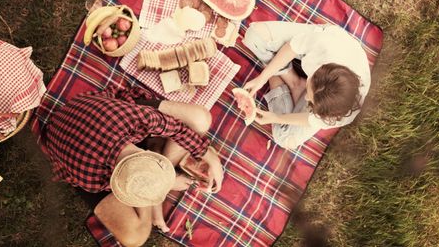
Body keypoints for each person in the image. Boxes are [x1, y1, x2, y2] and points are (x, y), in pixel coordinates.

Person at [44, 85, 223, 247]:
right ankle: (153, 196)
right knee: (135, 238)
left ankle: (154, 186)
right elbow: (121, 189)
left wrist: (208, 155)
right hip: (69, 142)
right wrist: (164, 185)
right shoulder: (92, 178)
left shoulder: (139, 118)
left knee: (201, 118)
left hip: (90, 115)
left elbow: (176, 128)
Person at [242, 21, 370, 150]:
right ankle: (293, 81)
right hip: (317, 40)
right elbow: (292, 47)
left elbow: (311, 119)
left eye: (310, 100)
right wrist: (262, 78)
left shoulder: (340, 115)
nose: (306, 99)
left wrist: (277, 117)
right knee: (254, 37)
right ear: (318, 69)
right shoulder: (326, 45)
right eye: (309, 93)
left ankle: (290, 82)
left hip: (322, 94)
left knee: (284, 139)